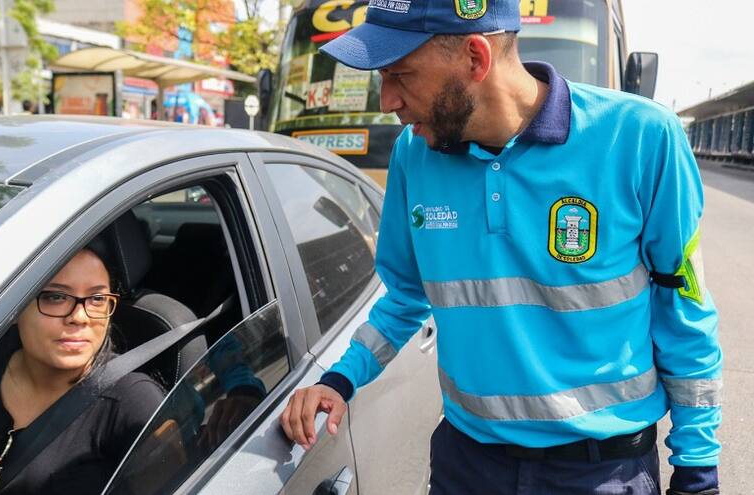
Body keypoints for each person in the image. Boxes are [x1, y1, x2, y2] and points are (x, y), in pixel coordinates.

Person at [278, 1, 722, 494]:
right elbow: (405, 297)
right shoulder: (413, 155)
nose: (387, 101)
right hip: (465, 467)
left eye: (401, 74)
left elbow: (684, 308)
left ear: (475, 58)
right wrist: (340, 380)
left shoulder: (641, 137)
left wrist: (697, 469)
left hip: (601, 473)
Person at [0, 244, 164, 494]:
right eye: (55, 297)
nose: (80, 317)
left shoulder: (132, 402)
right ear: (13, 308)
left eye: (97, 299)